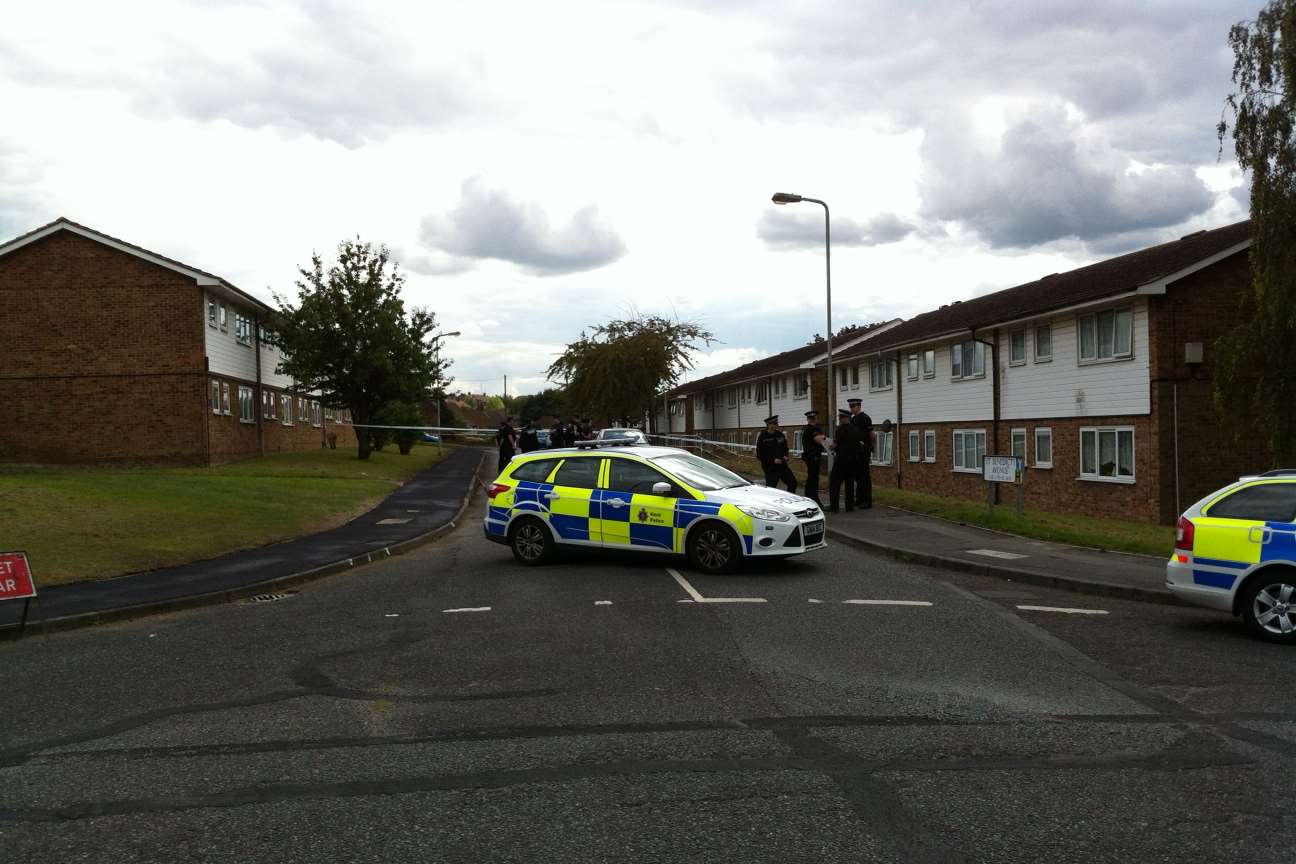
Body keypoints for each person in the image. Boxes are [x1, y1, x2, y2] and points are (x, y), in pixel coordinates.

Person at [828, 408, 861, 513]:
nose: (839, 419)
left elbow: (835, 444)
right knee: (849, 485)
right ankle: (849, 507)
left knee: (834, 484)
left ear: (844, 418)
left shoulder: (840, 429)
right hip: (853, 461)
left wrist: (831, 446)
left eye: (840, 417)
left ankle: (834, 507)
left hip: (841, 461)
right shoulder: (856, 430)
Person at [755, 415, 797, 493]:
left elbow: (785, 448)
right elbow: (759, 455)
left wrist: (786, 456)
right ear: (769, 424)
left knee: (793, 483)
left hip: (782, 465)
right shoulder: (763, 436)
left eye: (776, 423)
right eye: (774, 423)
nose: (776, 425)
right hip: (770, 468)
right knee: (771, 489)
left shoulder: (780, 435)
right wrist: (773, 460)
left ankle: (789, 502)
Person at [847, 397, 874, 509]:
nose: (852, 408)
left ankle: (866, 501)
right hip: (856, 452)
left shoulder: (865, 418)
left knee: (864, 477)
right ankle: (859, 499)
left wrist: (870, 447)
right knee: (858, 477)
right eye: (850, 406)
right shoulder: (853, 419)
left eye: (853, 406)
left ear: (858, 406)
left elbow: (871, 434)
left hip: (863, 451)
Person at [801, 410, 827, 506]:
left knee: (813, 478)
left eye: (814, 418)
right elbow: (819, 440)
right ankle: (813, 498)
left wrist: (822, 436)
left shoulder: (813, 428)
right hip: (812, 457)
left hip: (814, 456)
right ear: (809, 419)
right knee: (813, 478)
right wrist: (823, 437)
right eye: (812, 418)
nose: (813, 419)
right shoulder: (811, 429)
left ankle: (810, 497)